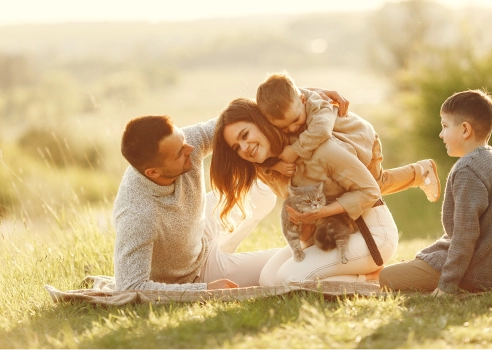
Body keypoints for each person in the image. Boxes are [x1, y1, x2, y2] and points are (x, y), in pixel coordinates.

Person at [112, 89, 349, 291]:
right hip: (194, 274)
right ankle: (349, 261)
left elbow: (242, 118)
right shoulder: (138, 214)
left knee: (261, 190)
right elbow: (131, 287)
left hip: (200, 231)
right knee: (286, 267)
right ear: (153, 172)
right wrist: (204, 289)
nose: (191, 148)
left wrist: (306, 95)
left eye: (183, 139)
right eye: (179, 152)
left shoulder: (182, 145)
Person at [210, 97, 399, 286]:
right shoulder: (271, 171)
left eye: (245, 135)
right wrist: (305, 223)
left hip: (371, 234)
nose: (244, 148)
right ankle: (351, 274)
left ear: (262, 123)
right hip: (327, 236)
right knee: (268, 280)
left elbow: (371, 191)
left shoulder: (320, 149)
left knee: (289, 278)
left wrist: (324, 211)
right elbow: (307, 234)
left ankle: (374, 278)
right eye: (236, 147)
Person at [378, 89, 492, 295]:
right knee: (417, 262)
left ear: (465, 130)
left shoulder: (468, 169)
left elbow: (465, 236)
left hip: (476, 275)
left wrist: (446, 285)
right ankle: (423, 265)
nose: (441, 134)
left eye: (445, 126)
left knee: (387, 276)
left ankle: (435, 275)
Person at [256, 71, 440, 202]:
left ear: (303, 100)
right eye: (284, 128)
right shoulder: (292, 104)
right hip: (344, 148)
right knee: (352, 187)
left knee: (375, 185)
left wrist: (295, 151)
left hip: (361, 141)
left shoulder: (319, 105)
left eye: (296, 120)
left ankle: (420, 172)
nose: (293, 127)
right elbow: (286, 92)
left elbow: (321, 132)